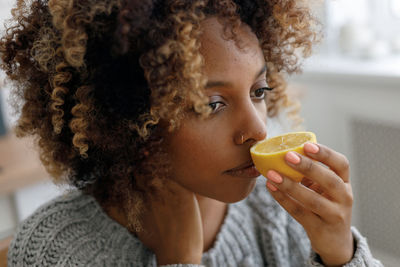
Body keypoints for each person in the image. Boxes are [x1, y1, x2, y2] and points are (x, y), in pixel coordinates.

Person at [0, 0, 383, 266]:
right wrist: (181, 259)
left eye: (258, 92)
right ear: (127, 117)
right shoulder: (53, 250)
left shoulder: (278, 210)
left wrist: (340, 253)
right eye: (210, 105)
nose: (257, 130)